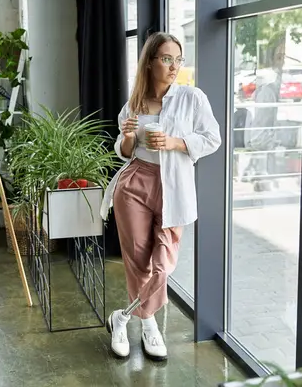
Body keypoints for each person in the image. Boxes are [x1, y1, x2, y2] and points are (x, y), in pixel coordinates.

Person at [99, 32, 222, 361]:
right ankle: (150, 326)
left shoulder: (191, 98)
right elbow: (125, 153)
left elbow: (212, 138)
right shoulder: (135, 103)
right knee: (138, 261)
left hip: (174, 186)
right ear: (150, 62)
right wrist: (126, 137)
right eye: (167, 59)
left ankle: (122, 317)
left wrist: (176, 144)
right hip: (135, 183)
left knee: (162, 263)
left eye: (178, 59)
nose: (173, 66)